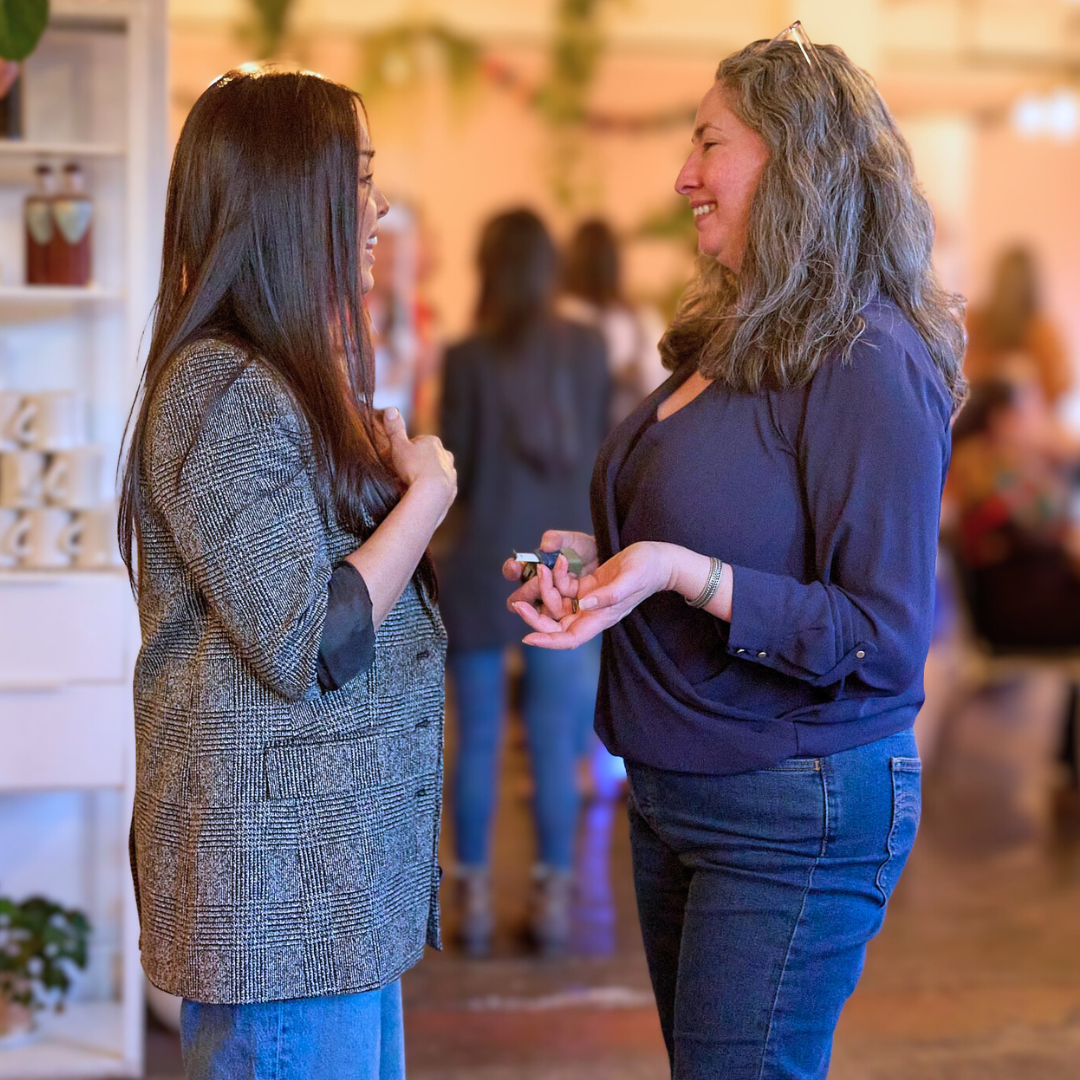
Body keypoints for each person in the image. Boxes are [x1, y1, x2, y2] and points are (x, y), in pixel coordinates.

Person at [505, 23, 966, 1080]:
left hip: (792, 804)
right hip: (684, 792)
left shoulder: (869, 360)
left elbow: (887, 639)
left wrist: (681, 574)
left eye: (709, 144)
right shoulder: (736, 339)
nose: (682, 177)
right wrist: (600, 559)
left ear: (793, 159)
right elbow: (716, 526)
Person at [118, 67, 457, 1080]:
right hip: (280, 909)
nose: (377, 208)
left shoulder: (271, 379)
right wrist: (425, 496)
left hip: (326, 900)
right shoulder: (224, 388)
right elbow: (310, 640)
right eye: (356, 180)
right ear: (284, 198)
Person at [436, 208, 610, 956]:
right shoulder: (590, 350)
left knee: (474, 739)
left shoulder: (468, 357)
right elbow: (603, 456)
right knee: (550, 740)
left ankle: (469, 899)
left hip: (483, 562)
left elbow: (460, 475)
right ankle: (552, 897)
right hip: (563, 563)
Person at [559, 218, 668, 426]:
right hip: (629, 447)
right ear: (615, 263)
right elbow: (661, 389)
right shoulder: (643, 321)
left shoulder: (557, 320)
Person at [965, 244, 1071, 407]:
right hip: (985, 416)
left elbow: (1059, 387)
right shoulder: (977, 320)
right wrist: (1005, 369)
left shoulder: (1041, 329)